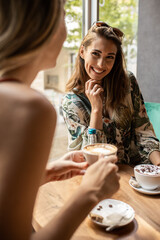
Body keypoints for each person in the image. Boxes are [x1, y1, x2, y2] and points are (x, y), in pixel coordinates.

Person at [0, 1, 120, 240]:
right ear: (42, 26)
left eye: (110, 57)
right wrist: (90, 193)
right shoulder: (31, 108)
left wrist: (43, 174)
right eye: (63, 15)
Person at [62, 21, 160, 166]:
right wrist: (96, 110)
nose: (101, 64)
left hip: (137, 171)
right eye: (96, 54)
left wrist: (158, 165)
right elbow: (87, 159)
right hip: (98, 176)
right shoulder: (71, 102)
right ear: (82, 52)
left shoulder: (128, 83)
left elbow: (143, 131)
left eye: (110, 57)